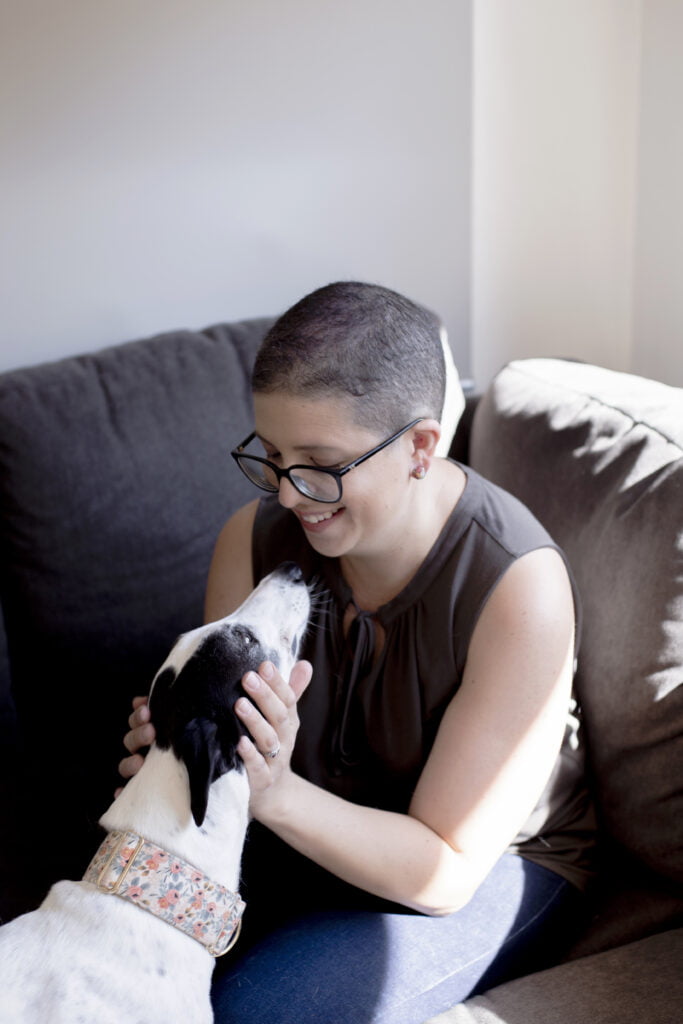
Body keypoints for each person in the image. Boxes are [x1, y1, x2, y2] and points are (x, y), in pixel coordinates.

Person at [119, 282, 595, 1024]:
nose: (288, 493)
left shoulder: (519, 590)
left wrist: (269, 790)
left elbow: (443, 871)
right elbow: (234, 751)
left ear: (419, 447)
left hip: (483, 871)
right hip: (305, 838)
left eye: (319, 462)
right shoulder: (251, 539)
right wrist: (178, 760)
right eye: (271, 455)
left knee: (258, 1014)